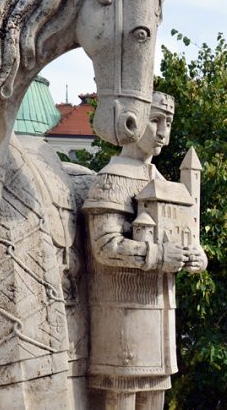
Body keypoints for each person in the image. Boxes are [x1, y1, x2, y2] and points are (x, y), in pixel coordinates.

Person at [82, 91, 206, 410]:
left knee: (154, 399)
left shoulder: (162, 183)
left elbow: (184, 235)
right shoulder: (112, 179)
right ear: (133, 121)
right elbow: (105, 246)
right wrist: (160, 257)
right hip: (121, 321)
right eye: (155, 120)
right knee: (120, 398)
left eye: (169, 122)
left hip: (159, 327)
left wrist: (195, 257)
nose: (163, 131)